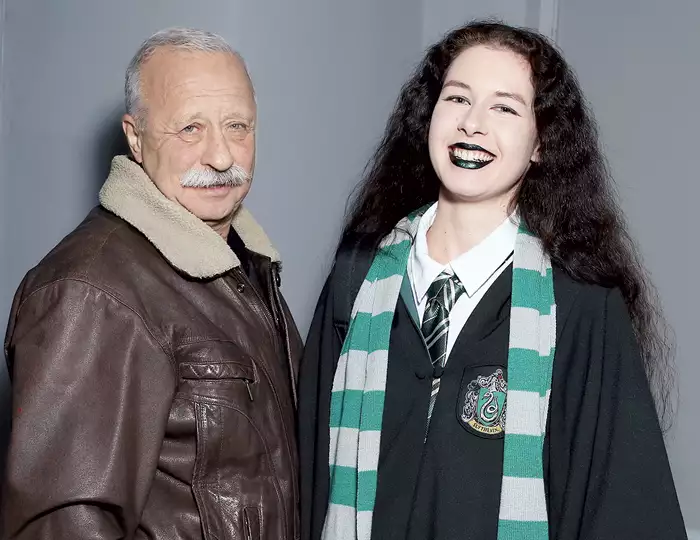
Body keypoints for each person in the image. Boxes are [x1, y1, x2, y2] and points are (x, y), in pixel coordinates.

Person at [299, 21, 687, 540]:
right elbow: (307, 475)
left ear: (541, 143)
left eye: (504, 108)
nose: (472, 124)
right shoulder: (357, 277)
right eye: (457, 99)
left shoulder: (581, 304)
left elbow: (624, 506)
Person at [2, 28, 302, 539]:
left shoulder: (246, 266)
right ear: (136, 138)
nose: (222, 156)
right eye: (190, 129)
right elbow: (60, 527)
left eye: (237, 126)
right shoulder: (91, 291)